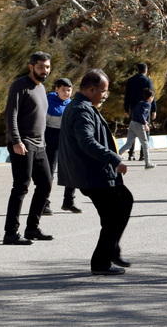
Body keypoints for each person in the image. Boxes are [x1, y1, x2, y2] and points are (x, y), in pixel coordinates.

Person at [58, 69, 133, 275]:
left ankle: (112, 249)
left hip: (96, 173)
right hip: (92, 174)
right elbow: (87, 142)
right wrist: (114, 158)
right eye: (103, 92)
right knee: (113, 216)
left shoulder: (83, 106)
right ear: (91, 89)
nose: (105, 96)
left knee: (124, 201)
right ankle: (101, 262)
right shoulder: (82, 110)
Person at [3, 51, 54, 245]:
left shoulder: (41, 88)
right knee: (21, 187)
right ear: (31, 66)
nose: (45, 70)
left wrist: (43, 142)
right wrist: (16, 140)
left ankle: (32, 228)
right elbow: (11, 115)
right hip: (22, 143)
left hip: (40, 145)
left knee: (46, 184)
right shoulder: (20, 85)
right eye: (41, 67)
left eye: (47, 67)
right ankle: (10, 233)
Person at [45, 78, 81, 214]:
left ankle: (68, 202)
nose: (66, 93)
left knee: (72, 170)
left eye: (69, 90)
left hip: (67, 139)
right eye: (63, 90)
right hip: (51, 140)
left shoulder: (72, 104)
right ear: (56, 90)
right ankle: (44, 203)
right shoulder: (49, 103)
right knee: (49, 173)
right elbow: (42, 124)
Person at [124, 63, 157, 162]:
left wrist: (126, 109)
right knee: (145, 131)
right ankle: (143, 154)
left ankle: (131, 154)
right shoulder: (147, 80)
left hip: (133, 108)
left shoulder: (130, 81)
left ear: (137, 70)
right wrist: (154, 110)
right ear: (145, 70)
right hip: (144, 109)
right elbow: (152, 95)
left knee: (133, 130)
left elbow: (127, 96)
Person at [119, 88, 156, 169]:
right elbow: (141, 115)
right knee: (145, 144)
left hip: (132, 123)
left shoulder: (140, 103)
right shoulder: (147, 104)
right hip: (138, 125)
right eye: (153, 97)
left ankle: (116, 157)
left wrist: (145, 122)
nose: (153, 99)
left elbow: (136, 113)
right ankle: (148, 163)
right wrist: (144, 124)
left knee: (128, 144)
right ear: (150, 97)